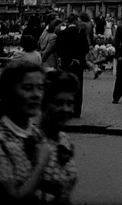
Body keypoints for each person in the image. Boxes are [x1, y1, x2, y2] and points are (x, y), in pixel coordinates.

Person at [0, 61, 56, 201]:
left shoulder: (36, 134)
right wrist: (41, 164)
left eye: (40, 88)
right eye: (28, 88)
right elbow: (15, 195)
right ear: (8, 93)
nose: (36, 95)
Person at [38, 70, 80, 205]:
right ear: (44, 104)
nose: (66, 109)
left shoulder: (65, 141)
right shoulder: (33, 141)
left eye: (70, 103)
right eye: (59, 103)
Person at [53, 15, 90, 119]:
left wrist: (65, 59)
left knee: (66, 87)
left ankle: (66, 109)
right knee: (78, 87)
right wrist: (78, 57)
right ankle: (77, 111)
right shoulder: (80, 32)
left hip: (66, 64)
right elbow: (85, 48)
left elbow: (58, 49)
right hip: (77, 64)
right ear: (75, 21)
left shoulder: (62, 33)